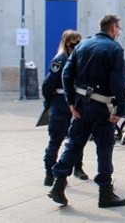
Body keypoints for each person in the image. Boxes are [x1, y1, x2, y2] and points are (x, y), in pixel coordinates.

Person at [48, 15, 125, 208]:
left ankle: (58, 184)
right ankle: (105, 193)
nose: (118, 31)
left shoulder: (82, 45)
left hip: (81, 105)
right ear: (113, 28)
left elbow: (66, 74)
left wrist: (70, 102)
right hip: (102, 107)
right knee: (104, 147)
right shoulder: (114, 48)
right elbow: (118, 82)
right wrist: (121, 109)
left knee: (74, 143)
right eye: (118, 28)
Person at [41, 30, 88, 186]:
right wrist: (49, 103)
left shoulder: (78, 59)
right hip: (60, 103)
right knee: (56, 139)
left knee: (77, 138)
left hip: (75, 102)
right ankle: (49, 172)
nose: (78, 44)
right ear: (68, 42)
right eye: (76, 41)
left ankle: (78, 168)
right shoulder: (60, 60)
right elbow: (48, 84)